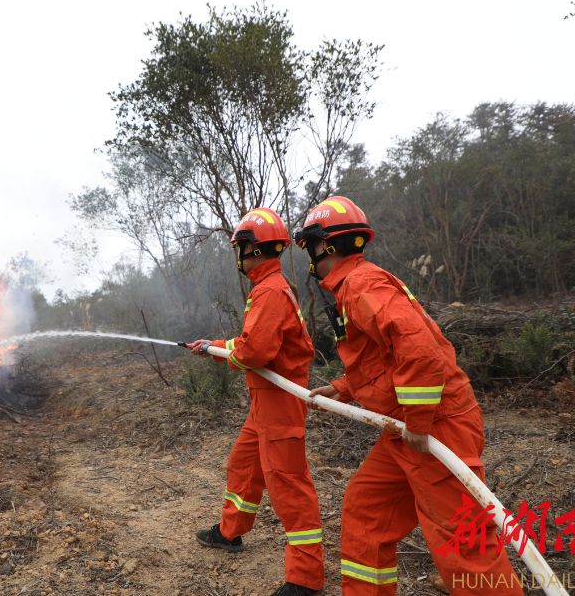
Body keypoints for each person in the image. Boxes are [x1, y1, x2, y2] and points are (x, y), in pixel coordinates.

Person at [296, 196, 522, 596]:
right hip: (407, 429)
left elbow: (421, 350)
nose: (310, 257)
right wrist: (345, 387)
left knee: (463, 542)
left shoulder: (361, 284)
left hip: (436, 425)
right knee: (367, 509)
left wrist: (418, 420)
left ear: (327, 246)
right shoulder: (352, 286)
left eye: (311, 246)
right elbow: (381, 356)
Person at [190, 208, 324, 596]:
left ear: (252, 248)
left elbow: (253, 353)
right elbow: (251, 344)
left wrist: (224, 353)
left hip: (281, 402)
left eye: (241, 248)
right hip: (266, 401)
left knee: (289, 487)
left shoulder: (269, 291)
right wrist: (214, 346)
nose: (239, 256)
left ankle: (306, 579)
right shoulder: (268, 288)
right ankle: (230, 533)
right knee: (244, 464)